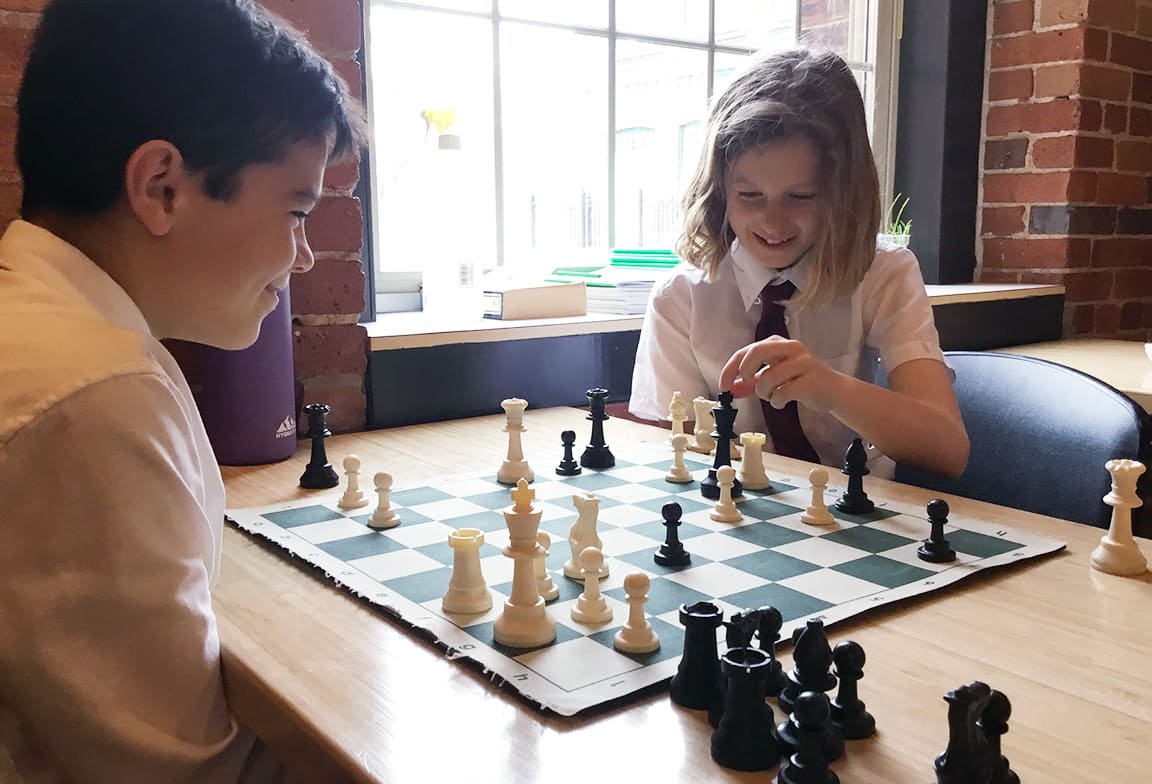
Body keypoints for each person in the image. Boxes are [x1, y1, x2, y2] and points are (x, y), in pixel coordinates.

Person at [0, 1, 366, 781]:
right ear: (162, 186)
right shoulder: (94, 394)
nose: (302, 257)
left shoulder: (59, 329)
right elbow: (186, 775)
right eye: (296, 211)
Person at [629, 49, 969, 479]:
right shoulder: (681, 297)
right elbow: (670, 458)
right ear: (719, 190)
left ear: (843, 193)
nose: (772, 222)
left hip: (856, 521)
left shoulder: (885, 272)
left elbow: (949, 451)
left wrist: (827, 387)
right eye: (749, 195)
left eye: (801, 197)